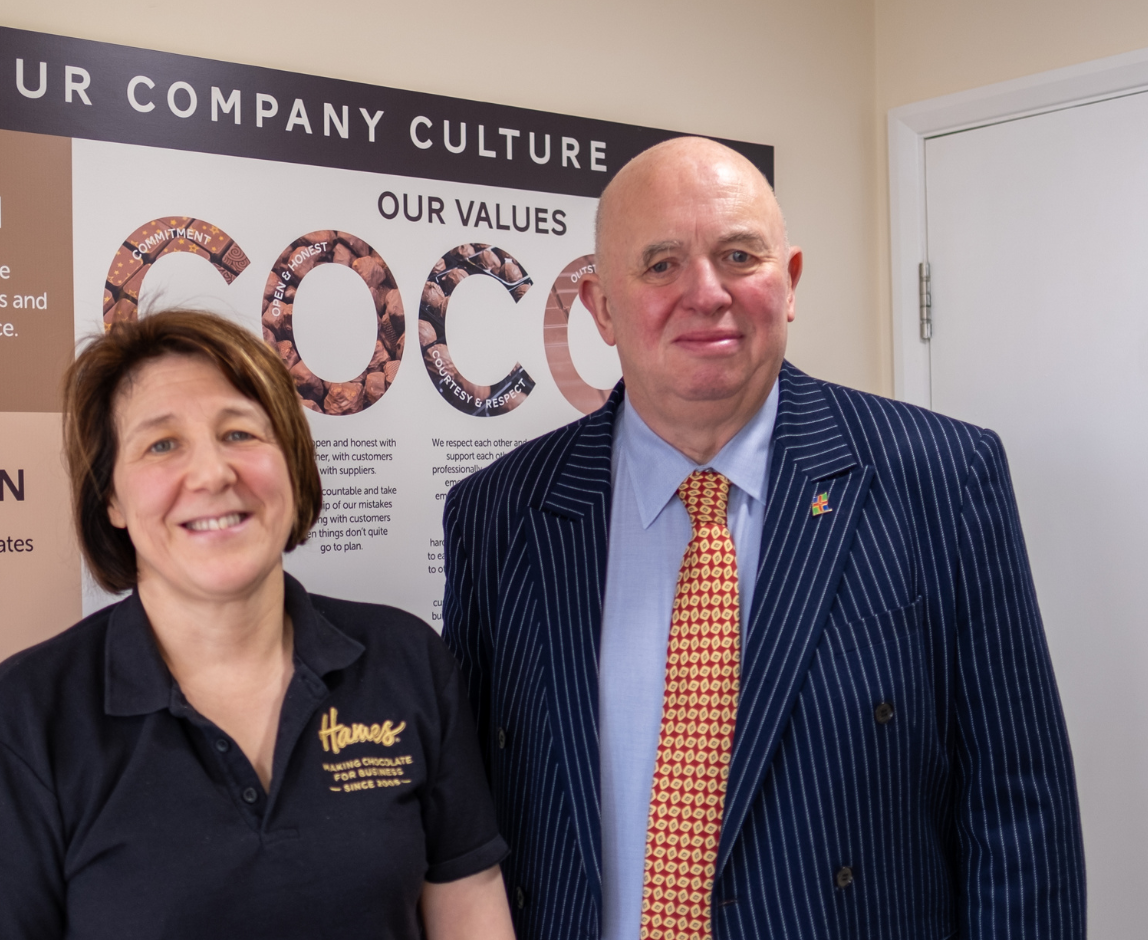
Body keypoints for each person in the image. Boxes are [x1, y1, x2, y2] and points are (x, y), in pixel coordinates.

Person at [442, 137, 1085, 940]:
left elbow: (1018, 809)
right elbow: (465, 824)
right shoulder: (500, 514)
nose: (706, 293)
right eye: (661, 265)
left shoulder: (942, 478)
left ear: (790, 284)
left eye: (739, 255)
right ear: (603, 307)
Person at [0, 309, 513, 940]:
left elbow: (468, 894)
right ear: (112, 499)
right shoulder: (30, 713)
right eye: (162, 444)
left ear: (291, 465)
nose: (212, 474)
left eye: (240, 435)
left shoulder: (404, 660)